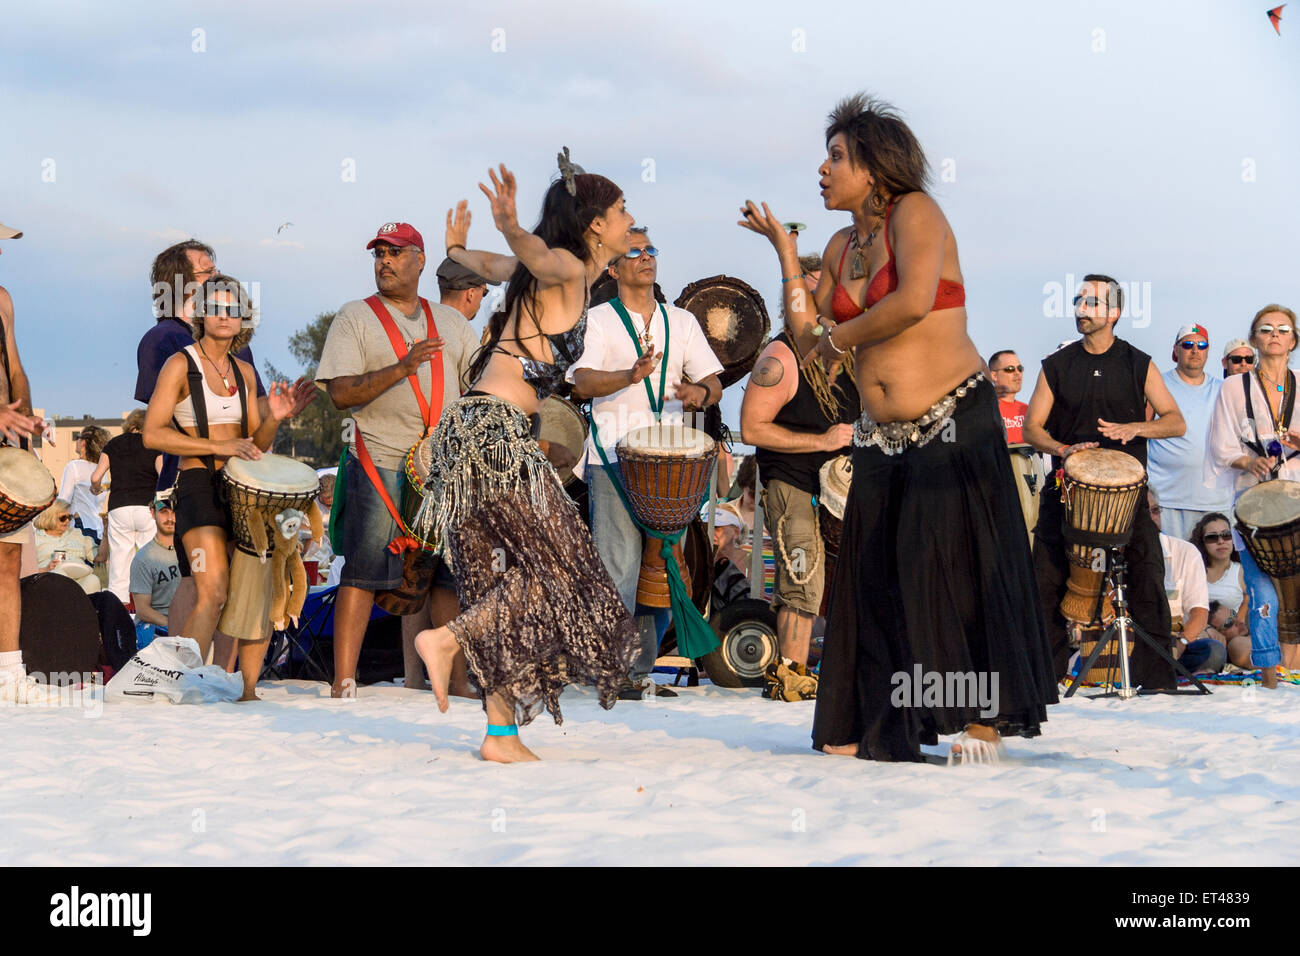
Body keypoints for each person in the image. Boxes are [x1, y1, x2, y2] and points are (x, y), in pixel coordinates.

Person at [742, 94, 1057, 762]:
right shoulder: (838, 243)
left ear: (874, 166)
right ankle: (881, 724)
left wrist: (838, 338)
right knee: (874, 578)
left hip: (952, 420)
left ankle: (980, 719)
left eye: (836, 156)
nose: (822, 169)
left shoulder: (917, 212)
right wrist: (785, 252)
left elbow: (913, 302)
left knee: (951, 571)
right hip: (881, 437)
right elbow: (806, 332)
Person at [412, 157, 640, 763]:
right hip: (495, 435)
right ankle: (446, 638)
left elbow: (491, 265)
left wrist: (460, 246)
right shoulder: (567, 267)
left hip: (470, 431)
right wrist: (512, 223)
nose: (631, 221)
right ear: (595, 226)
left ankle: (501, 735)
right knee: (568, 574)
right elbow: (534, 255)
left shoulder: (550, 275)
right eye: (622, 212)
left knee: (500, 579)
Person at [315, 222, 480, 699]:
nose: (384, 261)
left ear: (420, 260)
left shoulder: (450, 323)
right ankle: (344, 680)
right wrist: (403, 368)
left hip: (443, 467)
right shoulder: (355, 317)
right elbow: (341, 394)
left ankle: (458, 680)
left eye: (395, 252)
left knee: (449, 577)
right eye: (379, 254)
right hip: (380, 458)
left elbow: (483, 381)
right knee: (363, 572)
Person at [568, 226, 724, 699]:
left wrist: (702, 391)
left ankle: (637, 673)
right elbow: (581, 383)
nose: (645, 258)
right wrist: (628, 375)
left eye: (650, 249)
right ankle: (611, 673)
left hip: (668, 466)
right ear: (613, 268)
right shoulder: (597, 319)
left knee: (661, 572)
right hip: (613, 459)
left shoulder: (682, 322)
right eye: (633, 252)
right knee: (619, 568)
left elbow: (713, 380)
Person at [142, 274, 303, 700]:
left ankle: (223, 680)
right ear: (200, 313)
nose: (225, 316)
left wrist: (275, 418)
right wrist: (216, 444)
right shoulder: (180, 363)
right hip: (196, 482)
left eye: (234, 309)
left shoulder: (245, 372)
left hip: (240, 487)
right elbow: (152, 434)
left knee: (241, 592)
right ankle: (183, 684)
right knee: (211, 590)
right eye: (216, 307)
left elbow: (255, 444)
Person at [1024, 274, 1186, 690]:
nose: (1081, 308)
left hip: (1125, 496)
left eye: (1092, 302)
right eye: (1078, 300)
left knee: (1147, 577)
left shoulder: (1138, 362)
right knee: (1046, 580)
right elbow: (1031, 429)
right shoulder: (1057, 365)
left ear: (1114, 313)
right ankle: (1045, 678)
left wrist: (1135, 428)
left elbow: (1174, 421)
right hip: (1067, 489)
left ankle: (1157, 679)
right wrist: (1062, 449)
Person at [741, 256, 857, 681]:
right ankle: (789, 676)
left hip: (840, 489)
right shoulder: (780, 356)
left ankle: (838, 673)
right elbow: (751, 428)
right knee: (801, 576)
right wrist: (821, 442)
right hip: (792, 483)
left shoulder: (851, 356)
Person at [1205, 304, 1300, 688]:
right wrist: (1247, 461)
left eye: (1283, 329)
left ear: (1293, 340)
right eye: (1265, 329)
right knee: (1262, 591)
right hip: (1253, 507)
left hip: (1296, 499)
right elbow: (1220, 445)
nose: (1274, 334)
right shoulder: (1233, 387)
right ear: (1255, 337)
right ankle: (1268, 675)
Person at [0, 219, 56, 703]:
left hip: (4, 445)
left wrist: (24, 420)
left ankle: (10, 675)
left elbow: (15, 368)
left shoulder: (2, 299)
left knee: (9, 558)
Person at [1146, 324, 1232, 540]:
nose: (1195, 350)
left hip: (1215, 500)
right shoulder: (1158, 385)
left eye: (1201, 345)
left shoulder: (1223, 390)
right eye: (1188, 344)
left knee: (1213, 569)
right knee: (1173, 569)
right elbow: (1140, 428)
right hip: (1168, 499)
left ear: (1208, 351)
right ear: (1176, 350)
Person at [1148, 490, 1225, 675]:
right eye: (1145, 513)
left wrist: (1181, 643)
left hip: (1177, 642)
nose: (1152, 518)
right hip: (1133, 644)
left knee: (1214, 651)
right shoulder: (1120, 553)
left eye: (1156, 511)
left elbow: (1200, 612)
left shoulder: (1185, 552)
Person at [91, 409, 161, 602]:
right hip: (147, 507)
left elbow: (96, 477)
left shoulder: (113, 444)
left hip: (119, 506)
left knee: (119, 564)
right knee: (151, 557)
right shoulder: (154, 444)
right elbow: (163, 477)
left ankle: (118, 610)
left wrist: (95, 488)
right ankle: (154, 604)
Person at [1188, 512, 1253, 668]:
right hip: (1203, 630)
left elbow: (1250, 600)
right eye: (1212, 537)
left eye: (1226, 535)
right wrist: (1207, 628)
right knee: (1202, 639)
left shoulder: (1242, 571)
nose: (1221, 541)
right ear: (1202, 542)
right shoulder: (1194, 571)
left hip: (1236, 634)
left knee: (1239, 647)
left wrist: (1240, 619)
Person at [129, 497, 180, 647]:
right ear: (153, 512)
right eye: (164, 512)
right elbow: (143, 610)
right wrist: (174, 626)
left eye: (174, 512)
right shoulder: (143, 558)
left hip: (187, 622)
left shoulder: (191, 551)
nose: (170, 518)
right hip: (157, 624)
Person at [33, 500, 102, 594]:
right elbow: (24, 571)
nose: (67, 521)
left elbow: (100, 557)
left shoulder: (76, 533)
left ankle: (86, 608)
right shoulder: (35, 539)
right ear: (50, 517)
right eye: (63, 518)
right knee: (58, 575)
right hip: (49, 582)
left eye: (69, 517)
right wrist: (46, 569)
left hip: (79, 576)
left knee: (92, 580)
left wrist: (106, 533)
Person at [58, 426, 110, 544]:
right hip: (98, 527)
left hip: (79, 524)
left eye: (78, 437)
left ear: (84, 443)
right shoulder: (101, 471)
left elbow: (63, 500)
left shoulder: (74, 466)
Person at [436, 256, 499, 322]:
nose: (481, 299)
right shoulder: (464, 331)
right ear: (471, 293)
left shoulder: (425, 322)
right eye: (484, 292)